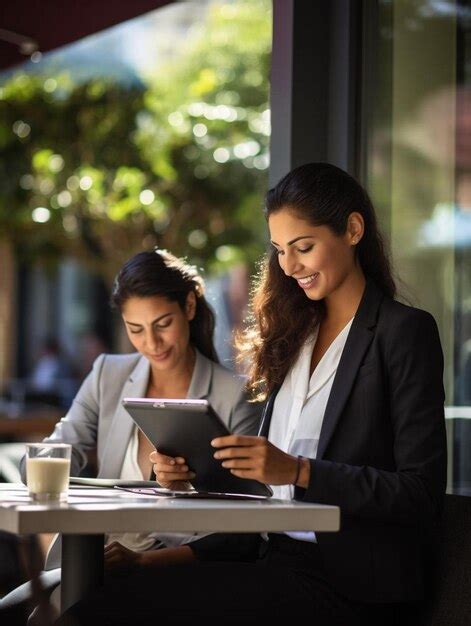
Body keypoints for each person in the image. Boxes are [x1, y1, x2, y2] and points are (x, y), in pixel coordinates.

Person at [59, 162, 447, 625]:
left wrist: (300, 470)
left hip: (352, 588)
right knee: (90, 609)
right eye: (281, 250)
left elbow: (420, 493)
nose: (290, 266)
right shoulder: (293, 336)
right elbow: (260, 505)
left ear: (353, 229)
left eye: (304, 247)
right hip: (272, 564)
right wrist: (190, 483)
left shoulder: (403, 333)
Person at [2, 249, 261, 622]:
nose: (151, 343)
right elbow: (54, 451)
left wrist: (148, 554)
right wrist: (46, 463)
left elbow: (245, 524)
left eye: (163, 323)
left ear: (189, 306)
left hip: (175, 565)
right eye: (135, 329)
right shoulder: (109, 374)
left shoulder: (233, 395)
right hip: (95, 557)